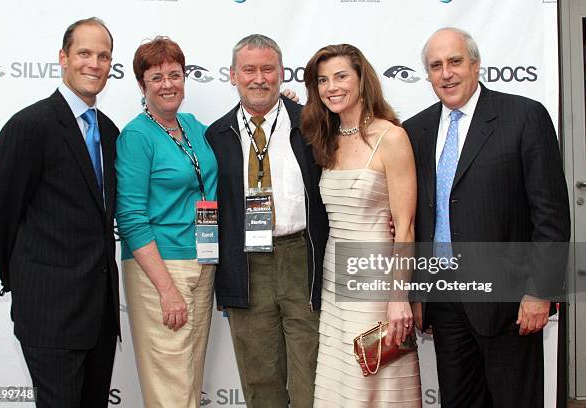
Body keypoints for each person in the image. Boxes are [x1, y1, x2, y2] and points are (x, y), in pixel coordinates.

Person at [402, 27, 570, 408]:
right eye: (436, 65)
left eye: (455, 61)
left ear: (476, 65)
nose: (446, 73)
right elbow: (416, 217)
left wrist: (540, 291)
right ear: (427, 75)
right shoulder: (415, 131)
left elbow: (551, 215)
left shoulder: (524, 117)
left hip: (509, 302)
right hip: (444, 302)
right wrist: (416, 293)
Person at [0, 17, 119, 408]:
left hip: (99, 317)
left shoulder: (108, 132)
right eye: (84, 53)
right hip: (50, 314)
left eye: (103, 55)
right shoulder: (30, 126)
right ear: (63, 57)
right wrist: (28, 280)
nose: (94, 63)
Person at [205, 34, 328, 408]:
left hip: (302, 261)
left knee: (313, 379)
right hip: (247, 266)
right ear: (233, 75)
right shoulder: (216, 135)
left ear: (281, 73)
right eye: (249, 69)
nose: (259, 78)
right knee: (260, 382)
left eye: (268, 69)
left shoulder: (313, 123)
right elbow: (209, 209)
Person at [301, 43, 422, 407]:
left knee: (375, 377)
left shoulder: (392, 137)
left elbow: (405, 228)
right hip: (335, 275)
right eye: (322, 80)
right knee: (341, 382)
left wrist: (399, 297)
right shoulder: (326, 137)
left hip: (376, 278)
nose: (331, 87)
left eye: (340, 76)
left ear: (361, 80)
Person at [115, 36, 217, 408]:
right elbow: (130, 217)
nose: (168, 84)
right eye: (156, 77)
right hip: (159, 269)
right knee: (169, 385)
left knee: (189, 377)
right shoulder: (137, 136)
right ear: (141, 85)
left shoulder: (192, 126)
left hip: (202, 261)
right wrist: (166, 288)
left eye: (174, 74)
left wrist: (286, 105)